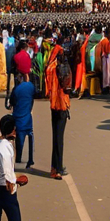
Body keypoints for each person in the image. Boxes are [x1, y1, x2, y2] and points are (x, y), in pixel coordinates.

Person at [45, 37, 71, 179]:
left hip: (53, 103)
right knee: (59, 138)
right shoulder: (62, 67)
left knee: (55, 136)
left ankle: (54, 167)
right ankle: (59, 169)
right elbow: (67, 86)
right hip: (61, 103)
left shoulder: (50, 67)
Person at [5, 71, 35, 169]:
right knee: (30, 136)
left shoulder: (16, 90)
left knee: (19, 138)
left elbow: (11, 103)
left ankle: (18, 157)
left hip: (19, 117)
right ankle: (30, 159)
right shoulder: (30, 86)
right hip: (28, 117)